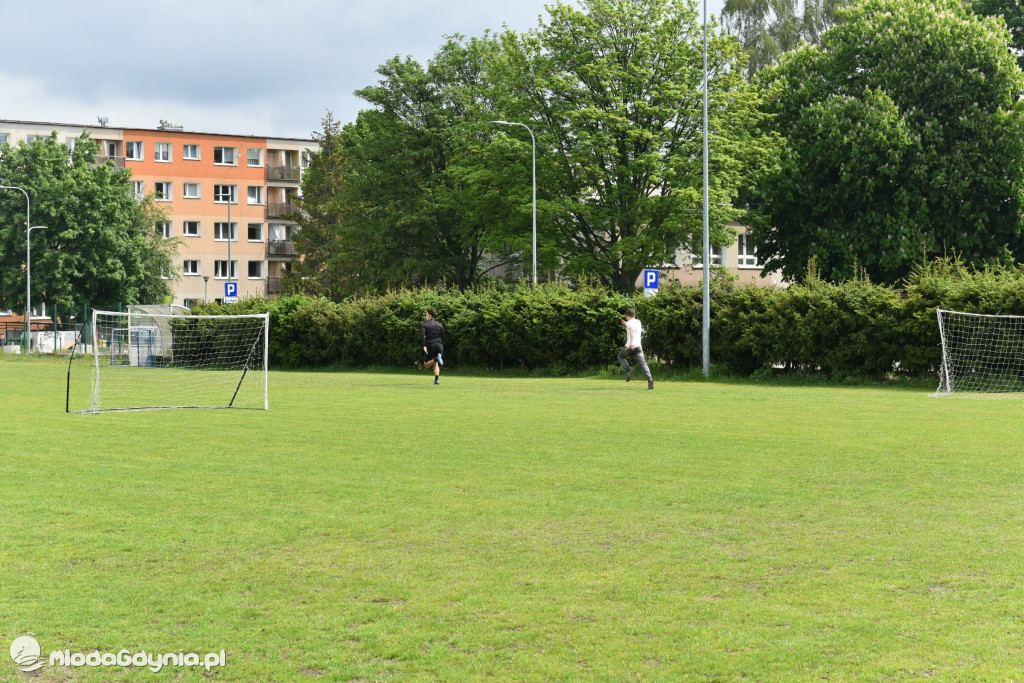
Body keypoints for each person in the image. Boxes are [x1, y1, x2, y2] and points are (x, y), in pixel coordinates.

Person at [619, 308, 653, 389]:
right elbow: (630, 326)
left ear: (627, 315)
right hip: (638, 347)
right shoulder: (638, 321)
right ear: (634, 315)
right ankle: (650, 380)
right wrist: (625, 324)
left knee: (621, 357)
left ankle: (628, 370)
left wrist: (631, 343)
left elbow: (631, 331)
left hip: (630, 346)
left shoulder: (629, 323)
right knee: (643, 364)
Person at [421, 307, 444, 385]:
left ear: (430, 315)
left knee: (427, 365)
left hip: (430, 345)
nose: (426, 316)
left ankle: (436, 358)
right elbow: (442, 335)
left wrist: (424, 345)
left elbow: (422, 336)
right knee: (436, 364)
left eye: (426, 314)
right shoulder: (439, 325)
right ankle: (437, 380)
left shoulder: (424, 325)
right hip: (439, 345)